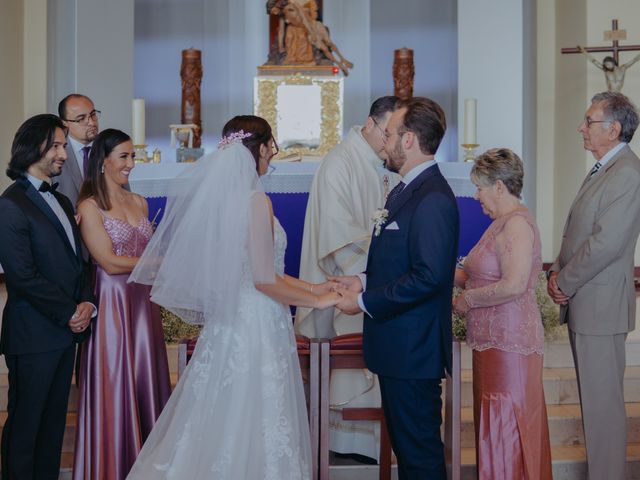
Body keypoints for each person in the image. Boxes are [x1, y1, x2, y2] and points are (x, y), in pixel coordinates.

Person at [126, 115, 340, 479]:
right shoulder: (256, 200)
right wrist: (316, 302)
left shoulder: (226, 201)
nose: (272, 155)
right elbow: (262, 279)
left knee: (222, 414)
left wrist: (314, 287)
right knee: (256, 410)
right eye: (271, 146)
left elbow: (259, 270)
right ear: (258, 148)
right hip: (256, 321)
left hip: (234, 316)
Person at [333, 97, 459, 479]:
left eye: (389, 135)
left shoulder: (432, 198)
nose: (384, 143)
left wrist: (365, 300)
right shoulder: (406, 190)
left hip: (413, 351)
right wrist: (364, 280)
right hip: (399, 350)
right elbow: (404, 262)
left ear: (408, 140)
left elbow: (430, 276)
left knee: (419, 457)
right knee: (409, 453)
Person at [296, 96, 399, 460]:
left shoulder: (378, 162)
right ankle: (347, 443)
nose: (392, 142)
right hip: (343, 286)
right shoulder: (341, 162)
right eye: (387, 133)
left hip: (369, 285)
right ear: (369, 124)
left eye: (397, 135)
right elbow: (337, 236)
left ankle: (372, 444)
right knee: (351, 377)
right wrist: (378, 275)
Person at [547, 91, 640, 479]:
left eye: (589, 121)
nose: (581, 128)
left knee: (603, 409)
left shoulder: (627, 173)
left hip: (600, 306)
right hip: (588, 302)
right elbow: (579, 232)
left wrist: (564, 281)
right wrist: (556, 273)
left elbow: (606, 243)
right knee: (594, 404)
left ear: (613, 128)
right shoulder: (605, 168)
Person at [72, 129, 171, 479]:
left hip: (143, 302)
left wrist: (157, 262)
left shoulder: (140, 202)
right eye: (124, 157)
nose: (131, 164)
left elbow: (150, 251)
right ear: (103, 161)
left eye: (132, 157)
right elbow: (109, 262)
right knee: (116, 382)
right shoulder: (89, 206)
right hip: (112, 302)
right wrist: (159, 264)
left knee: (146, 375)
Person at [0, 114, 94, 479]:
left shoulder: (62, 200)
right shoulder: (11, 204)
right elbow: (22, 277)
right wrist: (70, 310)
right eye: (55, 146)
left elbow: (76, 261)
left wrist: (88, 301)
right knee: (26, 428)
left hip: (62, 332)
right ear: (31, 147)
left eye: (63, 146)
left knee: (53, 427)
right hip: (33, 333)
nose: (63, 155)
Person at [452, 148, 552, 479]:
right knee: (492, 430)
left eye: (479, 187)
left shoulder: (518, 225)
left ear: (498, 186)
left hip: (510, 347)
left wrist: (466, 300)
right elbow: (474, 274)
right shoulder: (498, 224)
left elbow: (514, 285)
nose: (476, 195)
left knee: (507, 431)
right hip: (491, 345)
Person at [57, 94, 101, 207]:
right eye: (81, 119)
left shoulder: (108, 148)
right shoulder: (56, 153)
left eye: (93, 115)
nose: (92, 123)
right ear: (65, 124)